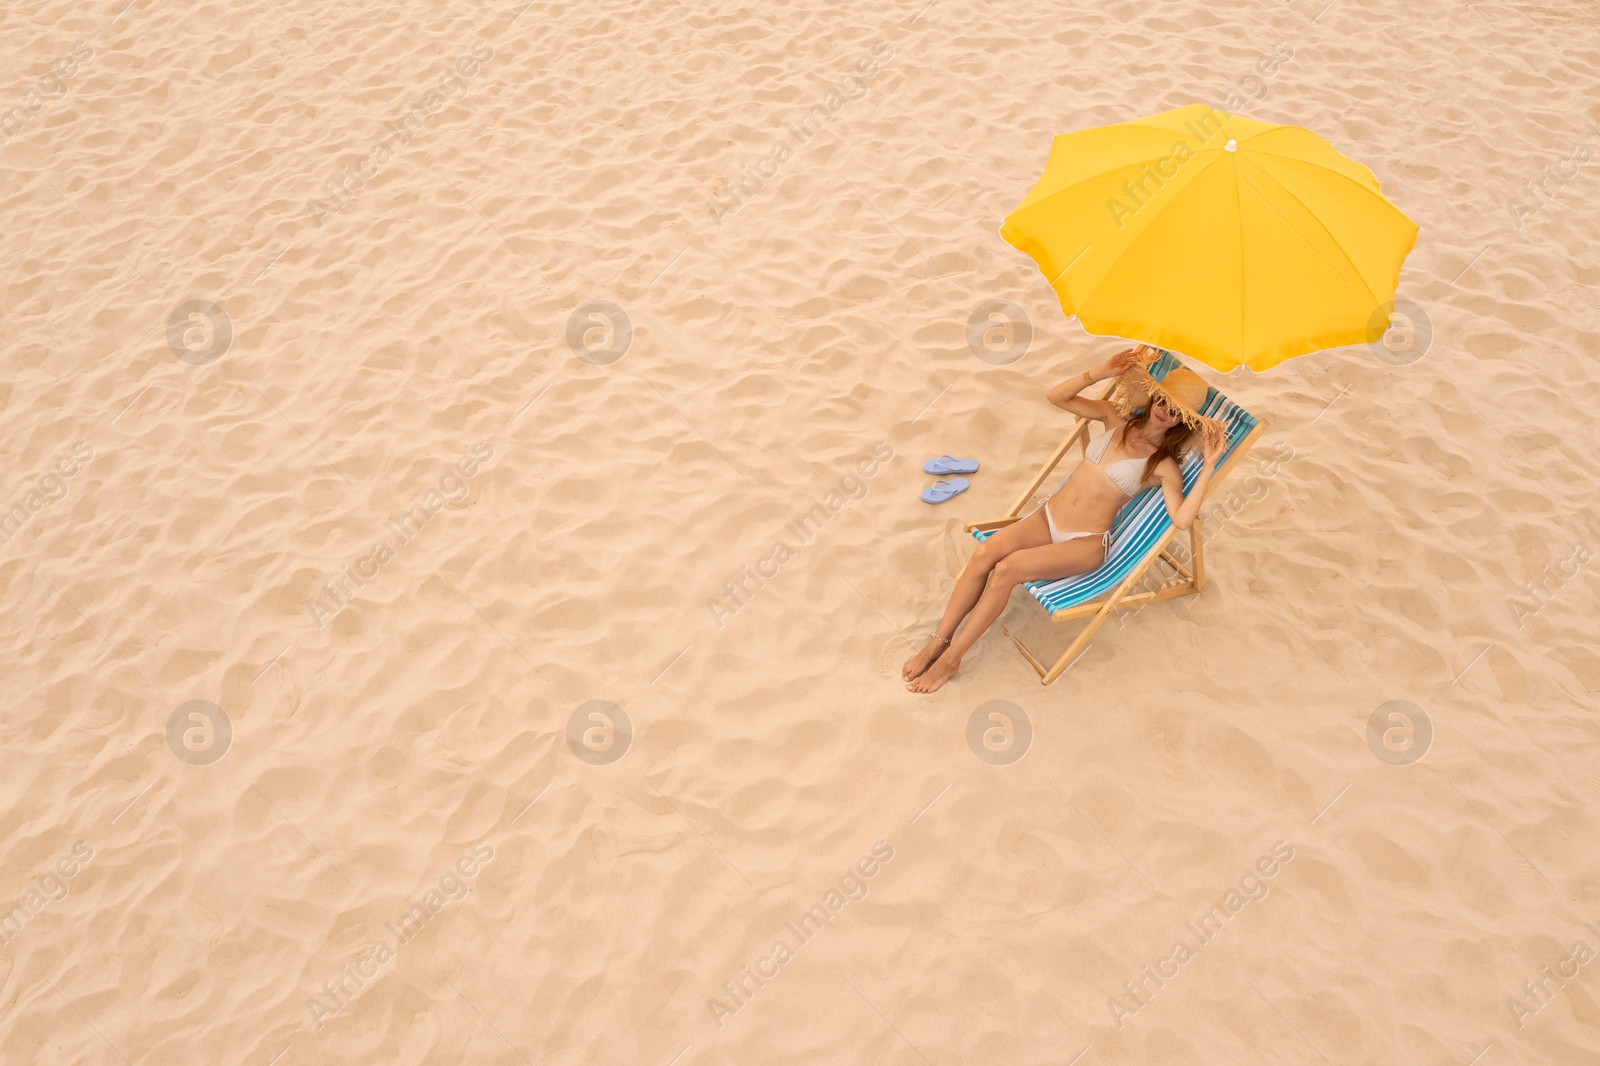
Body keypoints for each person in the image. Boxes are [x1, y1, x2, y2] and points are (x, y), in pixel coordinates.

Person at [904, 346, 1226, 693]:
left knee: (1007, 569)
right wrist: (1102, 372)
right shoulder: (1114, 418)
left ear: (1183, 421)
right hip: (1046, 518)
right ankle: (940, 640)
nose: (1165, 411)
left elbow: (1181, 518)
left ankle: (952, 660)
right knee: (986, 553)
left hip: (1084, 542)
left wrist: (1208, 465)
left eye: (1176, 411)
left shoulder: (1163, 466)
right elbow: (1055, 396)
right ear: (1153, 398)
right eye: (1163, 401)